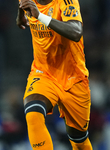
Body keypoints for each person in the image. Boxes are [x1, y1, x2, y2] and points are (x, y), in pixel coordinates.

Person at [16, 0, 93, 149]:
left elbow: (76, 32)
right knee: (32, 113)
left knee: (79, 140)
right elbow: (22, 5)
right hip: (43, 72)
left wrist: (39, 16)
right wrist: (20, 15)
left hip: (73, 77)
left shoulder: (66, 1)